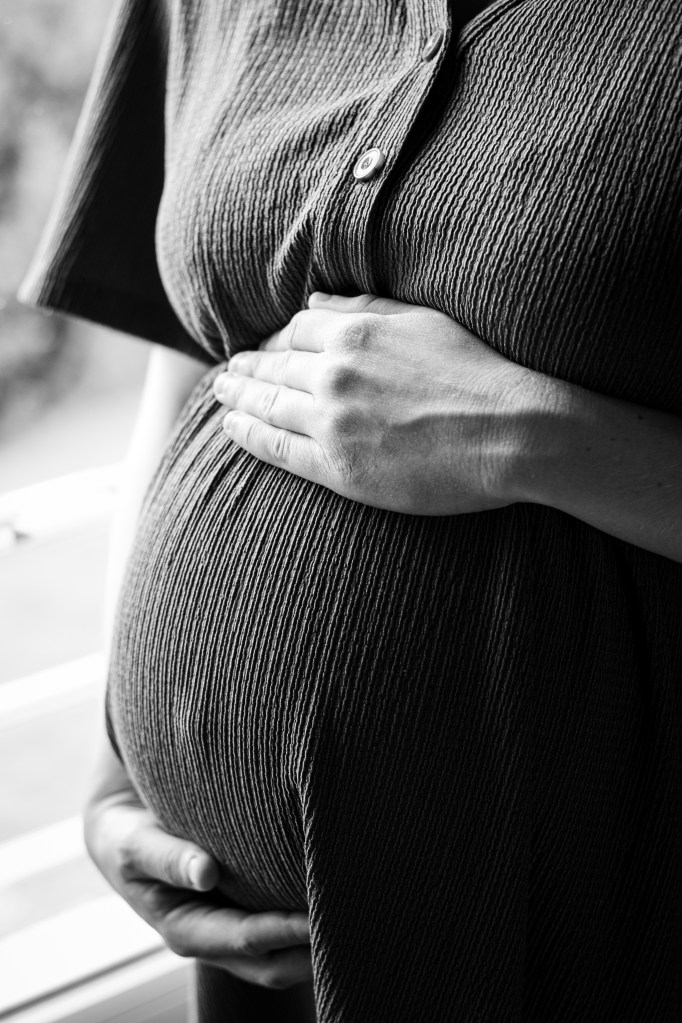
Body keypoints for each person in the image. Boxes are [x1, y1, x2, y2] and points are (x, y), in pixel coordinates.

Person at [19, 0, 682, 1019]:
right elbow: (196, 348)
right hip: (264, 949)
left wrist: (533, 437)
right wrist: (120, 779)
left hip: (597, 914)